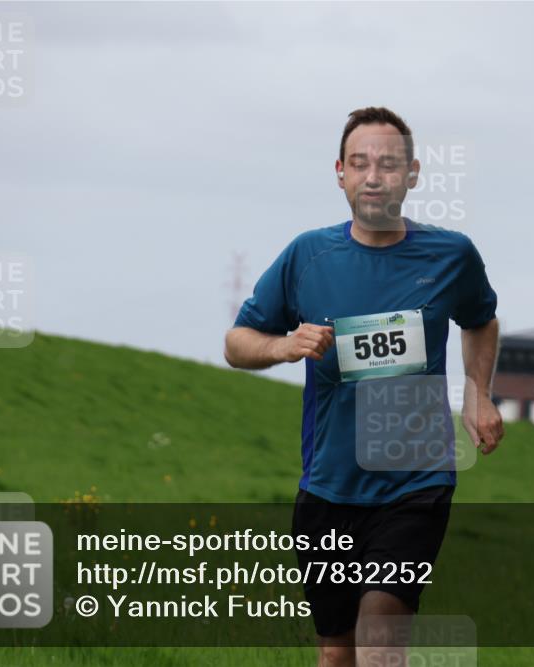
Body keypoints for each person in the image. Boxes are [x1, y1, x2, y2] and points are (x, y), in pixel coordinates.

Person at [224, 106, 503, 667]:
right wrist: (282, 346)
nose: (374, 175)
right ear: (340, 172)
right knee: (336, 653)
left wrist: (477, 390)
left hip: (415, 483)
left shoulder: (452, 255)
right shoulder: (308, 255)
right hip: (329, 485)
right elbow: (237, 342)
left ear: (413, 174)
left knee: (380, 643)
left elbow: (480, 319)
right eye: (360, 163)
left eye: (388, 164)